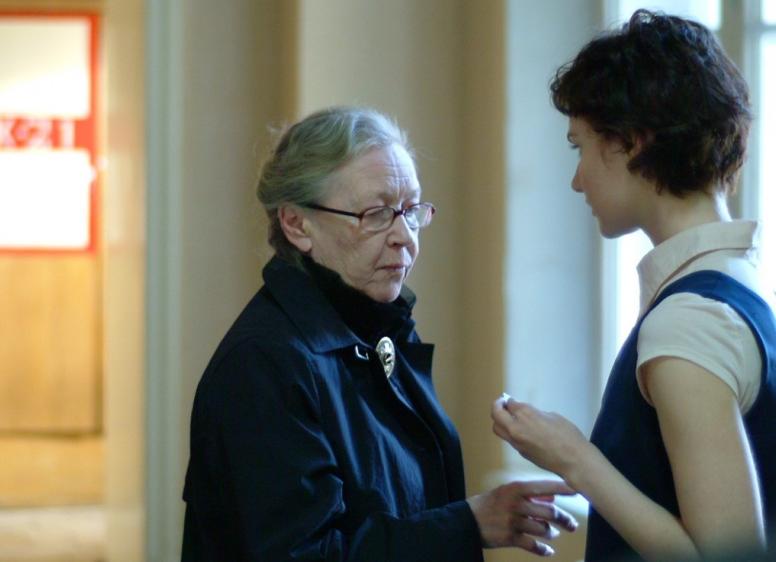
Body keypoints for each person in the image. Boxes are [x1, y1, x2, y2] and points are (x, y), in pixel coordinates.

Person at [181, 106, 578, 561]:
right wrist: (467, 524)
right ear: (296, 224)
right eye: (376, 214)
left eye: (411, 210)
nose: (405, 237)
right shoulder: (263, 365)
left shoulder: (380, 326)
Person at [491, 10, 775, 562]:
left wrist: (576, 459)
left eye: (579, 147)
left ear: (632, 143)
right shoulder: (739, 284)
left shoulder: (689, 319)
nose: (576, 180)